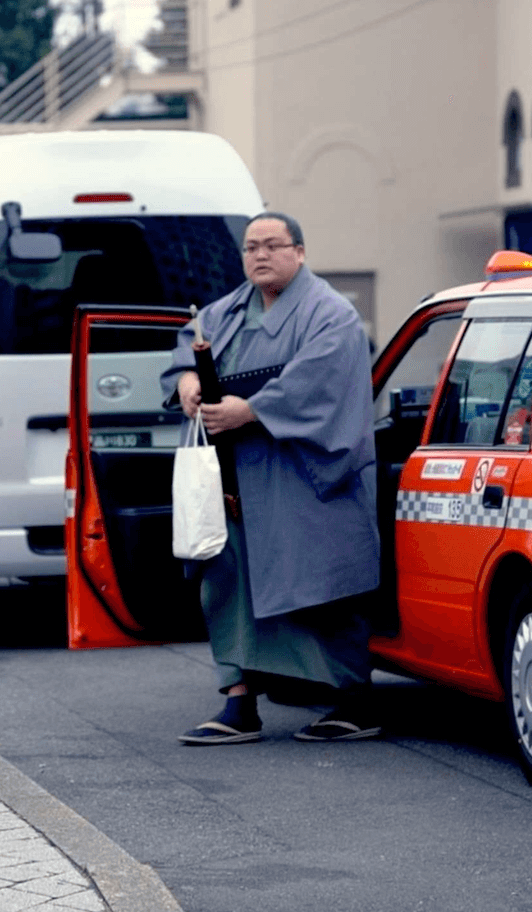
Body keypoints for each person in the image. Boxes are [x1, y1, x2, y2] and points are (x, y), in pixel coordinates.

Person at [163, 211, 383, 745]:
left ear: (299, 252)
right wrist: (189, 380)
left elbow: (320, 380)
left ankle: (352, 699)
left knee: (323, 583)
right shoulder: (228, 310)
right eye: (250, 247)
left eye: (271, 245)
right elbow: (186, 344)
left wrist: (252, 410)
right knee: (229, 580)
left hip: (304, 471)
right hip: (237, 475)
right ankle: (239, 702)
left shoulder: (331, 313)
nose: (259, 255)